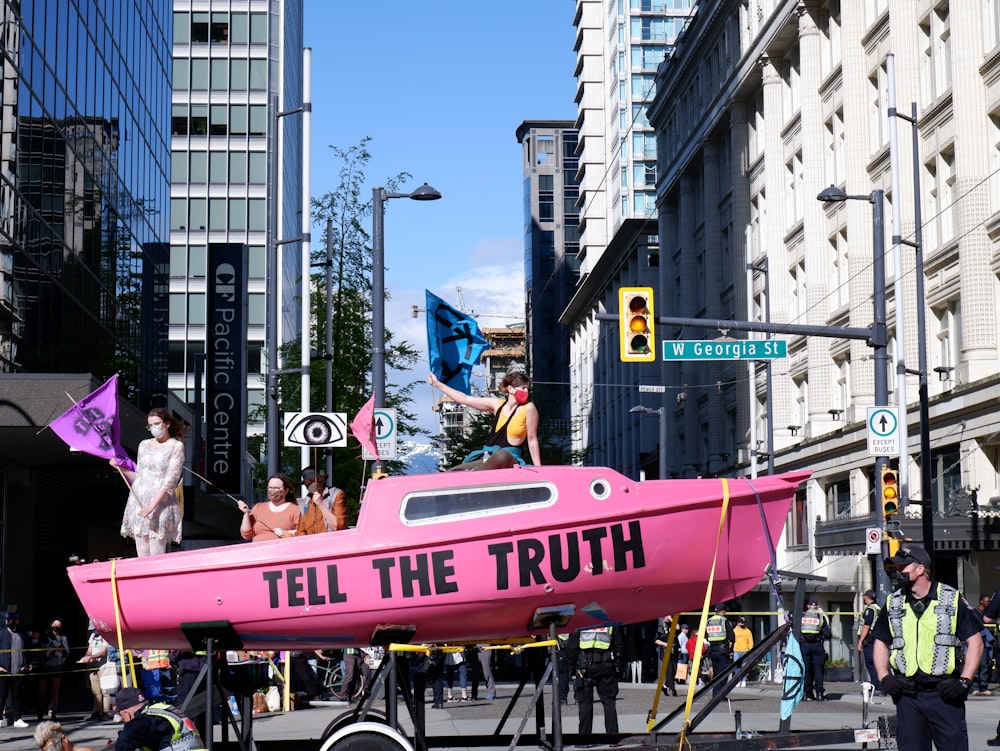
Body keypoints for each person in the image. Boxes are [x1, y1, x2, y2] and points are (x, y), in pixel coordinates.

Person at [874, 544, 981, 751]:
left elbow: (975, 642)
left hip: (944, 694)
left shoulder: (951, 599)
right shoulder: (893, 602)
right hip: (907, 696)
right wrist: (884, 678)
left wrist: (964, 682)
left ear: (920, 569)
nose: (898, 571)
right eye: (896, 567)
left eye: (902, 567)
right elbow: (880, 641)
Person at [427, 370, 542, 469]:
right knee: (453, 473)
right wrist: (438, 384)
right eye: (523, 388)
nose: (526, 392)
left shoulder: (529, 408)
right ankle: (474, 475)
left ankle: (477, 474)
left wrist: (539, 469)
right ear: (511, 389)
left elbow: (532, 440)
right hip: (487, 457)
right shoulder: (497, 405)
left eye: (527, 388)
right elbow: (465, 399)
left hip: (509, 458)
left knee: (502, 455)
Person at [113, 407, 185, 556]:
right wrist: (121, 469)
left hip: (160, 503)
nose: (153, 428)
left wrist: (151, 507)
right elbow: (139, 477)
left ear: (167, 424)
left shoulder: (176, 446)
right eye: (150, 425)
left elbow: (171, 480)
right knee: (142, 552)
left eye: (157, 424)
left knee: (156, 551)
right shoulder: (144, 445)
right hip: (139, 500)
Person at [566, 626, 622, 736]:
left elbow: (572, 646)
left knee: (585, 704)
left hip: (585, 666)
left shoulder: (581, 620)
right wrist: (618, 664)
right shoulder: (609, 621)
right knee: (609, 702)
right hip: (606, 665)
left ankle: (585, 739)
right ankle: (613, 737)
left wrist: (570, 666)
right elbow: (618, 643)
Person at [112, 687, 206, 751]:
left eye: (122, 716)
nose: (124, 721)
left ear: (127, 713)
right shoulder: (165, 711)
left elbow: (125, 741)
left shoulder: (144, 720)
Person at [237, 474, 301, 541]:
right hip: (258, 549)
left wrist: (286, 533)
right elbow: (246, 535)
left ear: (286, 491)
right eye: (270, 487)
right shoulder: (258, 508)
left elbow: (303, 532)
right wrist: (246, 513)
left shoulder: (295, 510)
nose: (273, 491)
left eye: (277, 488)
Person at [34, 618, 69, 722]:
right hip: (45, 666)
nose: (56, 627)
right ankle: (40, 710)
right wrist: (53, 650)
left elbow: (66, 651)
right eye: (54, 624)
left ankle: (54, 712)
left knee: (55, 690)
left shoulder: (63, 638)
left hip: (57, 665)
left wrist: (60, 653)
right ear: (51, 625)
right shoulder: (45, 637)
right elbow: (41, 649)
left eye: (58, 625)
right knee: (42, 690)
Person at [77, 623, 112, 721]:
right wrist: (86, 657)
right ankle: (97, 711)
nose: (94, 631)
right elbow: (89, 649)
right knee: (96, 690)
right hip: (93, 666)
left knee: (105, 690)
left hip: (104, 666)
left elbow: (103, 652)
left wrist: (91, 657)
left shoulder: (105, 636)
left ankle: (105, 712)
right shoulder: (92, 636)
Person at [0, 610, 30, 727]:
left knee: (17, 696)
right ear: (5, 621)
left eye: (13, 620)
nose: (11, 622)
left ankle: (17, 719)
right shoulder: (1, 634)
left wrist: (26, 664)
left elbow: (27, 651)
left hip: (18, 670)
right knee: (2, 695)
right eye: (9, 620)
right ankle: (0, 719)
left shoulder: (22, 636)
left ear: (17, 621)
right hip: (4, 670)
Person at [296, 467, 347, 534]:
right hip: (312, 543)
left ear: (323, 480)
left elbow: (338, 526)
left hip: (332, 542)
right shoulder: (304, 503)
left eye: (317, 480)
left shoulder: (336, 494)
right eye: (309, 481)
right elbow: (301, 531)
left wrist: (321, 505)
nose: (314, 483)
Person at [801, 598, 831, 701]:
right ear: (817, 606)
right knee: (818, 671)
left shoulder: (801, 616)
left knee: (805, 671)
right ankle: (819, 694)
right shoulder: (820, 616)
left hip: (804, 646)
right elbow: (828, 633)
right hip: (817, 645)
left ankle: (805, 694)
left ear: (808, 606)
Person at [705, 604, 735, 696]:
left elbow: (705, 635)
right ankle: (720, 695)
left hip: (712, 651)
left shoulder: (709, 621)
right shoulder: (724, 621)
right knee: (723, 673)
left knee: (716, 673)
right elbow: (732, 637)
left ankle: (715, 694)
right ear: (723, 611)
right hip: (722, 651)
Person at [857, 590, 882, 694]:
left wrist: (860, 641)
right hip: (876, 639)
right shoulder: (878, 608)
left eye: (864, 597)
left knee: (871, 663)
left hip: (870, 640)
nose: (864, 599)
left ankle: (878, 687)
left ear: (867, 597)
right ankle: (877, 686)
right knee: (876, 663)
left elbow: (866, 626)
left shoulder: (870, 609)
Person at [970, 593, 994, 696]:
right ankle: (974, 687)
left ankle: (983, 687)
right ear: (981, 602)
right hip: (976, 642)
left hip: (985, 642)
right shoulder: (974, 613)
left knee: (984, 665)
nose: (989, 603)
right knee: (976, 664)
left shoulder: (988, 613)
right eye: (987, 601)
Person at [653, 616, 679, 696]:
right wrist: (665, 644)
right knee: (669, 670)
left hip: (674, 650)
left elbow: (678, 627)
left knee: (674, 670)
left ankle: (665, 686)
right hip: (665, 651)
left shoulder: (672, 625)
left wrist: (671, 620)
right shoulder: (660, 628)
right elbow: (656, 640)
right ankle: (673, 689)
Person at [733, 616, 754, 687]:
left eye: (743, 623)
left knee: (744, 666)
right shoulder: (734, 631)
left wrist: (750, 650)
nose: (742, 624)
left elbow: (751, 642)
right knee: (736, 667)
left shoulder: (748, 631)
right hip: (736, 651)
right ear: (738, 623)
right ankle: (738, 680)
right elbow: (732, 641)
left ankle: (744, 680)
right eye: (741, 622)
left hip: (745, 651)